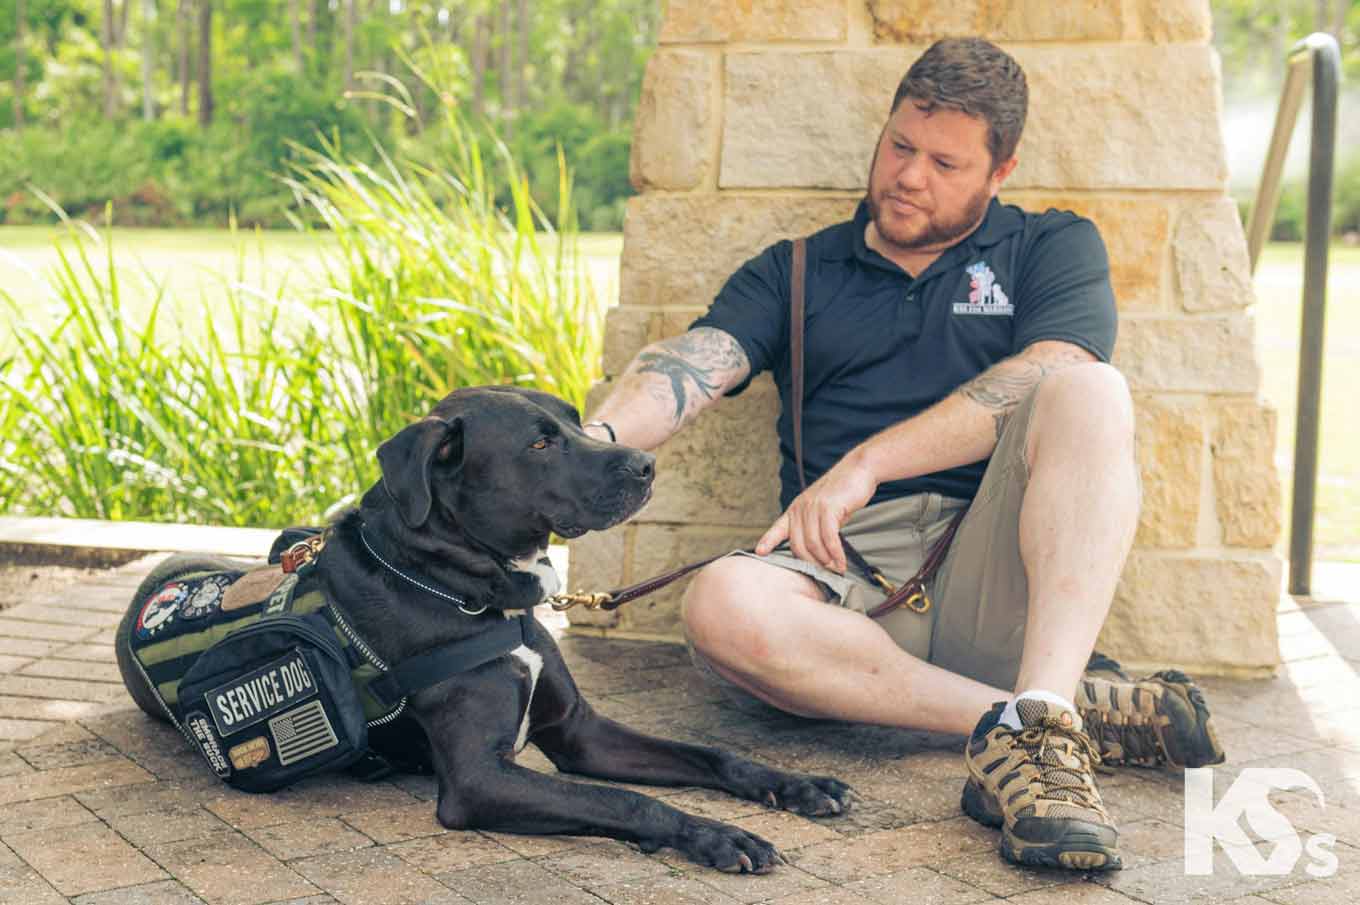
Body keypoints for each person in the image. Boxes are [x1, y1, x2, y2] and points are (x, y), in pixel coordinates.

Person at [581, 37, 1222, 871]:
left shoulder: (1049, 247)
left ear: (1001, 173)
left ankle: (1037, 708)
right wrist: (590, 445)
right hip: (843, 580)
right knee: (721, 606)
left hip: (992, 565)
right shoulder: (798, 270)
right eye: (900, 147)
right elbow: (694, 365)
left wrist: (866, 463)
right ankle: (1045, 718)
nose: (909, 176)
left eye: (945, 164)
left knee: (1090, 390)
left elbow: (1053, 366)